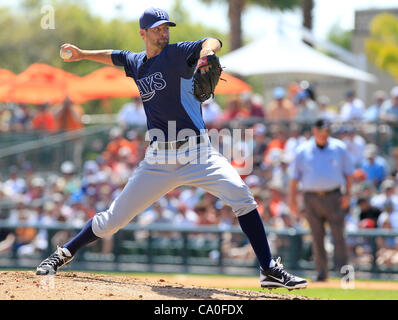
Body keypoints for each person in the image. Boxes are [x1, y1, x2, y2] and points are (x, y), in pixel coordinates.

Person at [35, 7, 307, 290]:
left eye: (166, 28)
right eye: (157, 29)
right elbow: (114, 56)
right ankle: (63, 254)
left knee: (242, 196)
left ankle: (268, 269)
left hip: (198, 153)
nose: (164, 33)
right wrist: (82, 54)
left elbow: (213, 40)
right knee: (113, 220)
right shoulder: (136, 62)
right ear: (143, 33)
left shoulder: (177, 53)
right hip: (158, 159)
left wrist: (207, 54)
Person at [289, 118, 354, 282]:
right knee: (316, 237)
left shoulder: (339, 147)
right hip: (310, 197)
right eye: (321, 130)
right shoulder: (303, 150)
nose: (324, 134)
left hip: (334, 196)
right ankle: (321, 273)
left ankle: (344, 273)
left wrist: (348, 195)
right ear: (314, 131)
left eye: (327, 130)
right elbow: (294, 178)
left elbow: (349, 174)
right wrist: (292, 201)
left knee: (339, 236)